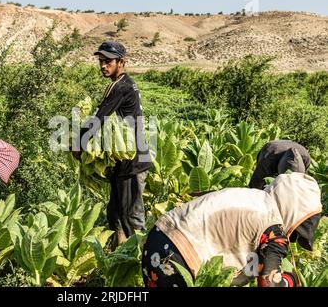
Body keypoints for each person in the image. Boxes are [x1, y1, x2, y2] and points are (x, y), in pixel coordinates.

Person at [142, 173, 322, 287]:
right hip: (179, 259)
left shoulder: (250, 195)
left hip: (157, 241)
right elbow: (269, 283)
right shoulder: (274, 230)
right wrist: (291, 280)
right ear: (296, 213)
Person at [73, 41, 152, 248]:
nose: (103, 65)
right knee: (115, 213)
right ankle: (119, 255)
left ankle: (139, 261)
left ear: (121, 62)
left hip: (132, 162)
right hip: (125, 160)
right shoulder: (123, 83)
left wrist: (78, 144)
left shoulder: (121, 87)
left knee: (131, 216)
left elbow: (99, 117)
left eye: (108, 61)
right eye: (101, 61)